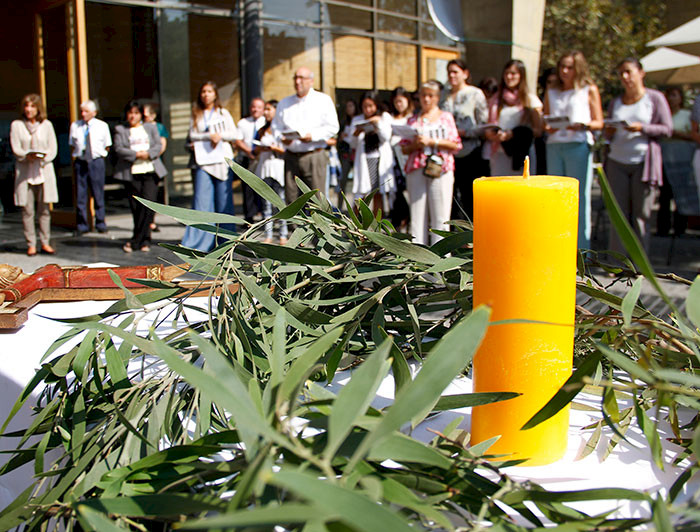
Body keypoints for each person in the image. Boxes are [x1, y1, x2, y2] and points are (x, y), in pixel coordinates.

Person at [604, 57, 672, 255]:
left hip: (644, 163)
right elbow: (608, 133)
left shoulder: (655, 98)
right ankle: (617, 261)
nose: (625, 77)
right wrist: (609, 131)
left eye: (629, 72)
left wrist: (642, 128)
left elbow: (667, 129)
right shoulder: (616, 102)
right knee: (618, 215)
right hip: (617, 160)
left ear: (641, 73)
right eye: (621, 73)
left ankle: (639, 264)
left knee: (641, 215)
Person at [543, 51, 604, 249]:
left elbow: (599, 121)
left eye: (569, 67)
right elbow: (545, 119)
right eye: (562, 66)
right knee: (555, 197)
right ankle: (557, 246)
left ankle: (581, 251)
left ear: (578, 68)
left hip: (578, 144)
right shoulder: (551, 90)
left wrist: (583, 125)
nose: (564, 71)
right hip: (554, 144)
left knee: (579, 197)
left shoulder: (588, 89)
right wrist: (550, 125)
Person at [181, 81, 241, 252]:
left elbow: (234, 134)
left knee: (224, 203)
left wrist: (219, 136)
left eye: (209, 91)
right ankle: (198, 242)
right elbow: (192, 134)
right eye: (203, 91)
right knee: (202, 202)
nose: (206, 94)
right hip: (203, 162)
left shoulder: (223, 113)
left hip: (222, 161)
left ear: (215, 94)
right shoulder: (196, 114)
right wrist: (208, 136)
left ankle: (226, 241)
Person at [401, 80, 462, 246]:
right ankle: (417, 257)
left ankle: (441, 257)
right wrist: (417, 144)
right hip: (417, 167)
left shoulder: (446, 117)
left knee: (441, 216)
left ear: (437, 97)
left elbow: (455, 144)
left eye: (430, 95)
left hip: (440, 168)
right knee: (417, 215)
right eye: (423, 95)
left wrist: (432, 142)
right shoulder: (413, 120)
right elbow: (404, 148)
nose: (426, 99)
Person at [272, 66, 339, 205]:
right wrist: (282, 139)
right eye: (295, 78)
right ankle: (294, 227)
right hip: (291, 156)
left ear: (311, 81)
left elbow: (333, 127)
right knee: (292, 201)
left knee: (317, 201)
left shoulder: (323, 100)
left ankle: (320, 227)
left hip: (314, 155)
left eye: (301, 78)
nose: (297, 82)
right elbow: (276, 128)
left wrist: (312, 136)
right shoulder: (284, 103)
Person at [113, 100, 167, 253]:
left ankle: (137, 239)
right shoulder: (120, 129)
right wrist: (136, 154)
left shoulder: (150, 127)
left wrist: (147, 154)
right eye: (130, 113)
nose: (133, 116)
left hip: (150, 171)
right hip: (131, 173)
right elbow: (118, 148)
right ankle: (143, 239)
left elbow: (158, 145)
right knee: (136, 208)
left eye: (136, 113)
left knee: (149, 206)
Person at [9, 94, 58, 256]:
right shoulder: (17, 125)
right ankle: (31, 243)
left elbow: (53, 148)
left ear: (38, 109)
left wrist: (43, 157)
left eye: (32, 106)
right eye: (26, 106)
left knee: (44, 210)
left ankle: (45, 242)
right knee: (27, 210)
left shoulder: (47, 125)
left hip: (43, 172)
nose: (29, 110)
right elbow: (15, 147)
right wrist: (26, 155)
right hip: (26, 172)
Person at [440, 59, 488, 221]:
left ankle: (469, 235)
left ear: (465, 74)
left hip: (470, 152)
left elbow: (483, 124)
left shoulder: (475, 94)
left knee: (468, 195)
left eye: (455, 71)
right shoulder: (443, 96)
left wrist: (462, 132)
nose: (452, 75)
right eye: (449, 72)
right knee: (450, 196)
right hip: (447, 153)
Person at [485, 59, 543, 176]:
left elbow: (538, 130)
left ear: (521, 75)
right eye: (506, 73)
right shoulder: (495, 100)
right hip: (500, 152)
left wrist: (514, 134)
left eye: (513, 73)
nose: (509, 77)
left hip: (521, 153)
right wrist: (493, 135)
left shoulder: (530, 100)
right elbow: (488, 126)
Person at [69, 99, 112, 235]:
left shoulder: (102, 126)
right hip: (81, 162)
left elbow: (107, 145)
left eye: (86, 111)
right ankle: (82, 225)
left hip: (96, 161)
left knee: (98, 193)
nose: (83, 114)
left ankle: (100, 222)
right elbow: (72, 144)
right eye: (81, 111)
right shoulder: (75, 126)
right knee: (81, 195)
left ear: (94, 112)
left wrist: (101, 155)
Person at [348, 91, 395, 214]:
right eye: (365, 107)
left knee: (378, 192)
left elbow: (386, 137)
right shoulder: (357, 120)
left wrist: (376, 124)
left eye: (370, 106)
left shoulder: (384, 117)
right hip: (364, 159)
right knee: (361, 193)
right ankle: (355, 224)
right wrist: (357, 132)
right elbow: (352, 143)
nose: (368, 110)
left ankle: (376, 225)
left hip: (379, 159)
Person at [658, 87, 693, 237]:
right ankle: (663, 228)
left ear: (680, 98)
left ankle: (680, 228)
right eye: (668, 95)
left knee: (681, 194)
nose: (671, 98)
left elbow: (694, 135)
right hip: (664, 160)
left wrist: (679, 135)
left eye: (674, 95)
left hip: (682, 159)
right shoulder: (661, 115)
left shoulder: (687, 115)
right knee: (664, 195)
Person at [252, 100, 288, 244]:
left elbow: (287, 150)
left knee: (281, 202)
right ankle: (269, 234)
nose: (265, 112)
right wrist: (261, 148)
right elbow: (254, 150)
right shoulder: (261, 130)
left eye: (268, 109)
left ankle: (283, 234)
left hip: (279, 168)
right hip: (265, 167)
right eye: (265, 109)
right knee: (266, 203)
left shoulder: (282, 129)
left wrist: (275, 148)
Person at [236, 97, 266, 223]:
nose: (256, 110)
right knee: (248, 188)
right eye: (254, 107)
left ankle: (265, 214)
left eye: (259, 107)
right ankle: (249, 217)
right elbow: (237, 140)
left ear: (263, 109)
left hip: (262, 158)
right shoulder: (243, 123)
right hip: (247, 158)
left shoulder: (267, 122)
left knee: (264, 187)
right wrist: (249, 151)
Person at [143, 102, 168, 233]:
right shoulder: (140, 127)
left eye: (146, 115)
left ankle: (151, 220)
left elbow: (163, 144)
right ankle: (147, 222)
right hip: (142, 162)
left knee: (152, 195)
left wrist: (152, 154)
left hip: (154, 162)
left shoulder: (159, 127)